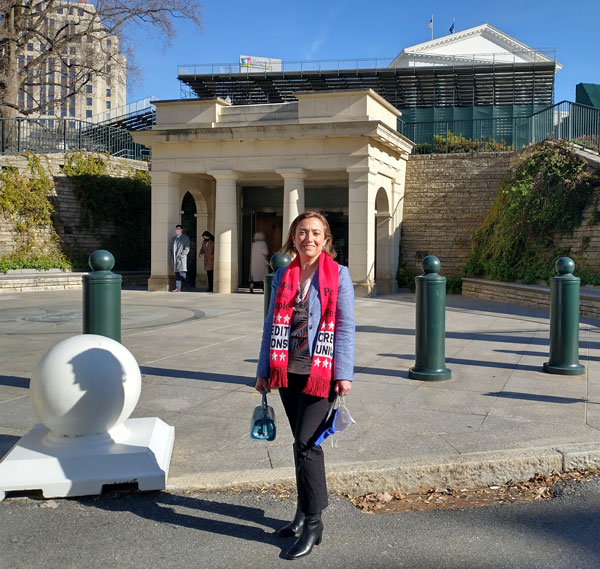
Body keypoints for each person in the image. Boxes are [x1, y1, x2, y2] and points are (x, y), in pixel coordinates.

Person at [255, 211, 355, 560]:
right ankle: (301, 513)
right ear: (293, 238)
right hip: (287, 372)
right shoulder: (284, 274)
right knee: (299, 444)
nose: (307, 238)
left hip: (321, 373)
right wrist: (263, 368)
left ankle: (314, 522)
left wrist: (344, 373)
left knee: (307, 444)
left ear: (326, 239)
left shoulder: (338, 275)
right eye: (301, 232)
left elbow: (344, 327)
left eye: (315, 233)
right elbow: (270, 325)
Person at [170, 224, 190, 292]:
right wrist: (172, 255)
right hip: (175, 258)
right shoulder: (173, 238)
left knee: (182, 273)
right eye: (176, 229)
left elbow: (187, 248)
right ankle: (178, 288)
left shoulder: (185, 238)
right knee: (177, 274)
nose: (177, 230)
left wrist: (182, 256)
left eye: (179, 229)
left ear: (181, 230)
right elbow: (171, 248)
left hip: (181, 258)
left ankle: (188, 282)